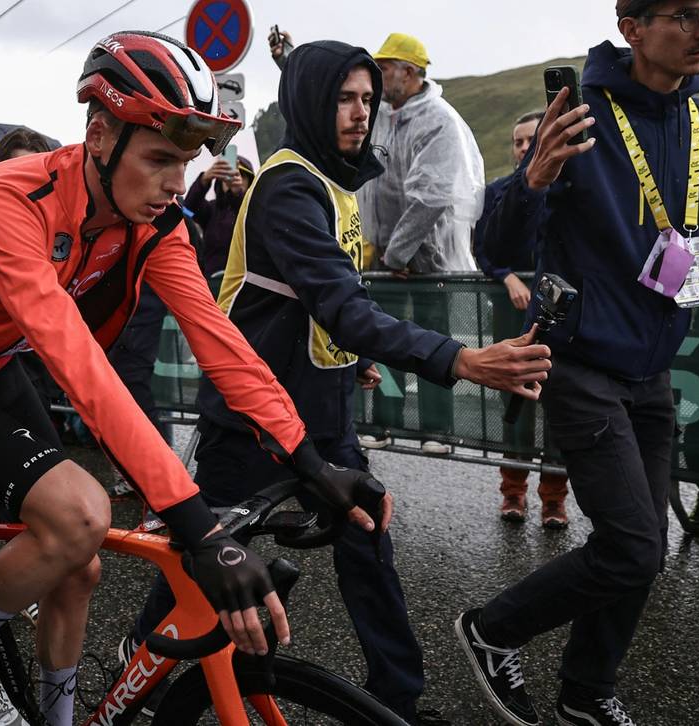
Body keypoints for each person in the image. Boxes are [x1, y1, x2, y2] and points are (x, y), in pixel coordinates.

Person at [0, 31, 392, 726]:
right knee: (82, 514)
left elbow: (221, 343)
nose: (178, 183)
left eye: (188, 161)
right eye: (161, 159)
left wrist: (308, 458)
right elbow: (79, 367)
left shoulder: (154, 226)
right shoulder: (9, 203)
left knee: (77, 565)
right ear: (99, 134)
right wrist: (200, 531)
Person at [127, 39, 552, 725]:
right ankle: (139, 670)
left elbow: (322, 298)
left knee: (370, 554)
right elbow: (343, 305)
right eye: (344, 99)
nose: (360, 114)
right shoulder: (291, 182)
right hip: (256, 421)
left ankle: (396, 703)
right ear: (309, 103)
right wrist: (460, 359)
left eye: (367, 99)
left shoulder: (337, 179)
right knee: (203, 568)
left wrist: (348, 358)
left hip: (322, 414)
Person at [462, 2, 699, 725]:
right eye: (685, 15)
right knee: (631, 547)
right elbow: (494, 248)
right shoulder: (581, 117)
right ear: (632, 27)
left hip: (651, 371)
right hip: (578, 362)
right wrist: (530, 180)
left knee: (642, 547)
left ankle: (586, 694)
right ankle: (492, 630)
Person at [359, 32, 485, 453]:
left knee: (436, 342)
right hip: (382, 257)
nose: (376, 77)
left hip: (426, 259)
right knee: (379, 338)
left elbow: (430, 196)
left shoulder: (439, 120)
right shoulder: (380, 114)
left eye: (383, 68)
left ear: (409, 72)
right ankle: (382, 424)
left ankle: (437, 430)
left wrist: (397, 252)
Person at [474, 110, 571, 528]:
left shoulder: (567, 191)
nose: (521, 148)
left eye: (528, 140)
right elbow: (481, 248)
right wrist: (507, 276)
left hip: (560, 318)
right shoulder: (498, 192)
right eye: (516, 142)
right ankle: (512, 495)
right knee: (514, 407)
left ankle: (554, 501)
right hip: (510, 315)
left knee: (556, 409)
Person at [183, 154, 255, 285]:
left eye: (241, 175)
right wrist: (204, 179)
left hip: (245, 282)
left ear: (250, 182)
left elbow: (245, 214)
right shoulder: (211, 210)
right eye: (227, 174)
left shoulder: (256, 209)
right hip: (213, 280)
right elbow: (189, 209)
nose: (233, 178)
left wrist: (237, 194)